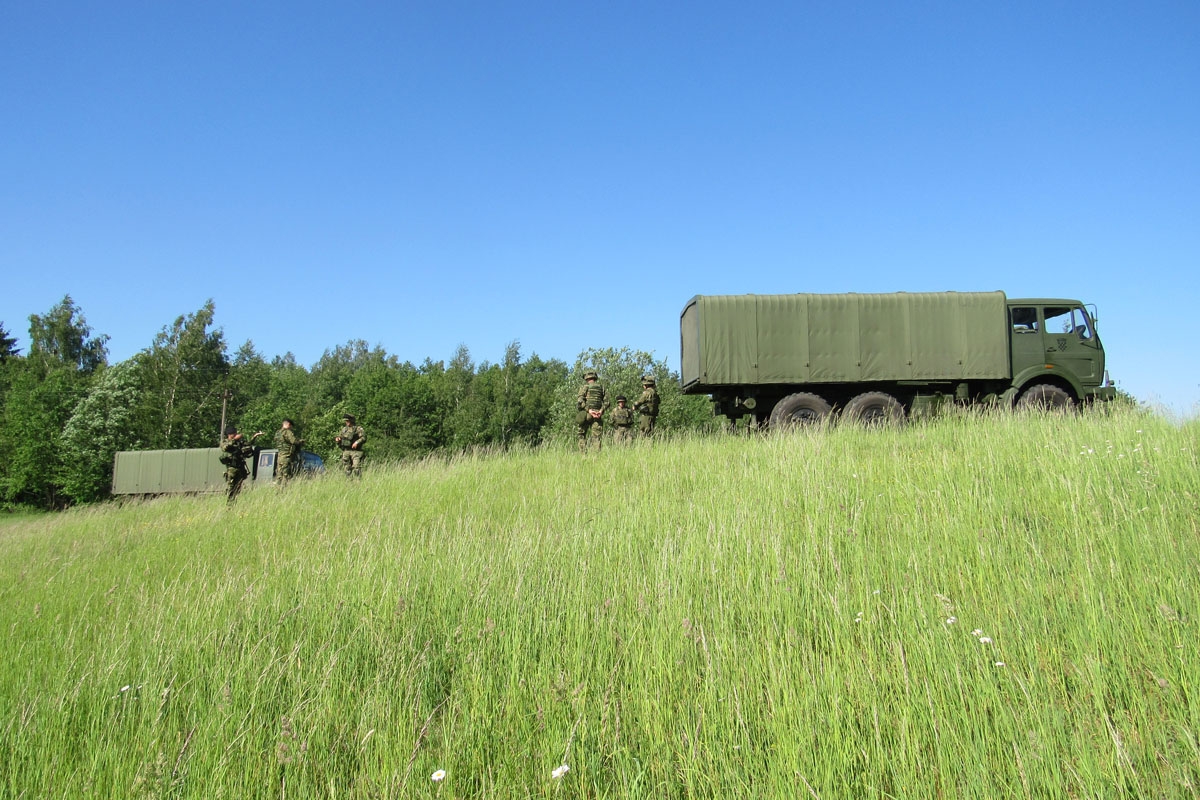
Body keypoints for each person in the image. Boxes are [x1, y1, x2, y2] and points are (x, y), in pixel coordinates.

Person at [219, 425, 262, 503]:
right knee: (231, 488)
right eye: (234, 433)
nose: (236, 434)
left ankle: (234, 502)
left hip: (240, 467)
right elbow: (225, 448)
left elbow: (248, 444)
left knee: (238, 488)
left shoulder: (239, 442)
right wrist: (234, 440)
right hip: (232, 468)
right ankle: (229, 504)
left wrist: (254, 437)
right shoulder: (225, 442)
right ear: (230, 434)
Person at [575, 370, 607, 452]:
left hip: (586, 414)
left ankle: (583, 456)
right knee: (596, 437)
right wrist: (600, 411)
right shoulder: (602, 388)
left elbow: (580, 401)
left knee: (581, 435)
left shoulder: (585, 387)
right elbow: (607, 402)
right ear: (595, 377)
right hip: (597, 415)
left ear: (586, 378)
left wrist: (589, 410)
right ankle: (596, 458)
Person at [273, 418, 304, 487]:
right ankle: (284, 491)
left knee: (279, 475)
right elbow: (294, 441)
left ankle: (277, 490)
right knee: (286, 475)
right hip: (286, 457)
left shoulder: (278, 433)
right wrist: (301, 441)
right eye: (291, 426)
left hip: (280, 456)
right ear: (289, 425)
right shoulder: (288, 432)